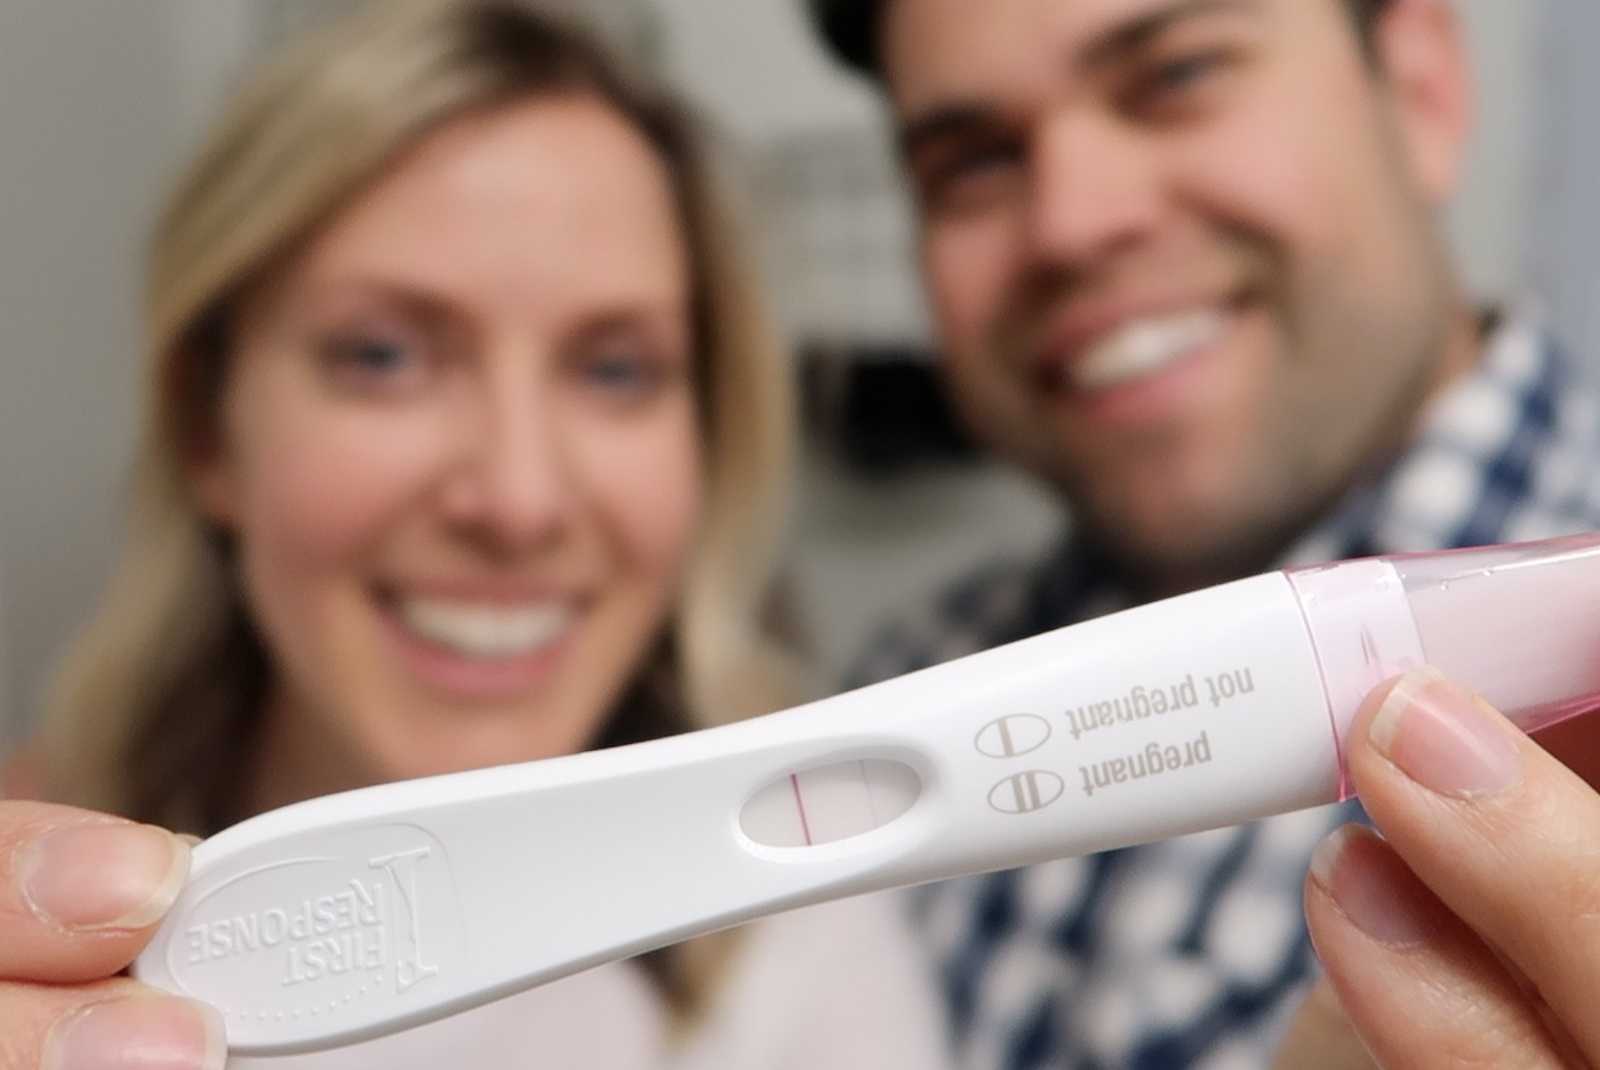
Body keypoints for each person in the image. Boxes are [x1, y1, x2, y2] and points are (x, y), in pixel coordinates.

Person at [0, 2, 953, 1067]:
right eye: (383, 355)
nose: (516, 498)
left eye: (615, 368)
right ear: (207, 430)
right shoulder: (34, 913)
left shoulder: (801, 924)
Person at [808, 0, 1600, 1066]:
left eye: (1175, 76)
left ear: (1419, 85)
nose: (1070, 222)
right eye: (972, 162)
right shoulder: (895, 687)